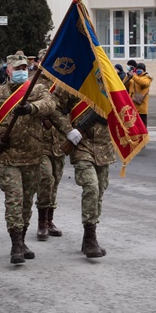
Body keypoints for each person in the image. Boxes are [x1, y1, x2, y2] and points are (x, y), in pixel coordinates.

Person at [0, 54, 61, 264]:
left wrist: (32, 108)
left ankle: (21, 238)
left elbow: (50, 105)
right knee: (14, 199)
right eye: (17, 68)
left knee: (27, 201)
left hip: (33, 157)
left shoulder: (37, 90)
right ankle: (15, 244)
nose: (22, 71)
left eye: (24, 67)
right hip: (8, 158)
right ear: (9, 70)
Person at [53, 90, 112, 258]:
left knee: (99, 191)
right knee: (91, 187)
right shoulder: (73, 83)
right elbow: (54, 108)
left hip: (104, 147)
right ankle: (90, 239)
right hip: (81, 146)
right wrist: (69, 130)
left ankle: (89, 235)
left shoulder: (109, 82)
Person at [33, 49, 68, 242]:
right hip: (40, 141)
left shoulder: (64, 83)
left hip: (59, 141)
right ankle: (41, 222)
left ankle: (50, 219)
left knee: (55, 180)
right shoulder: (34, 83)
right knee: (46, 178)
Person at [128, 62, 152, 127]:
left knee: (142, 126)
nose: (138, 70)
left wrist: (133, 76)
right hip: (132, 106)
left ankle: (144, 137)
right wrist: (128, 76)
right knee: (134, 126)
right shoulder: (134, 78)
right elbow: (124, 84)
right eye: (137, 69)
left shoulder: (146, 78)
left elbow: (143, 83)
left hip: (141, 107)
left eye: (140, 69)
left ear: (144, 70)